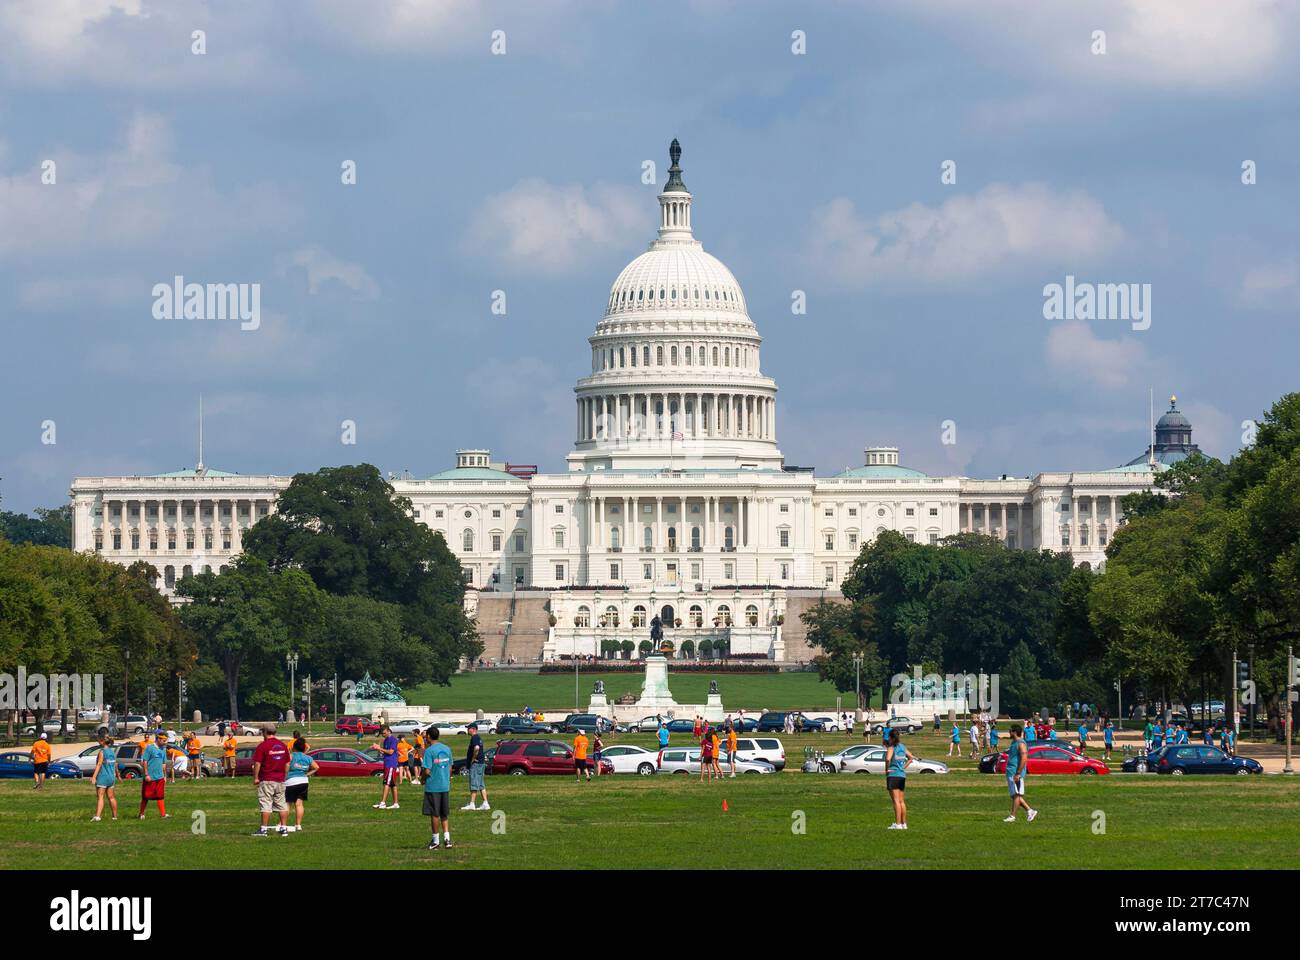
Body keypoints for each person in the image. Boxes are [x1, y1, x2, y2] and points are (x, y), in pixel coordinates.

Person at [251, 725, 291, 836]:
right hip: (280, 779)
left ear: (265, 732)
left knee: (265, 804)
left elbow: (257, 763)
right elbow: (287, 763)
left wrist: (256, 777)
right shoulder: (283, 746)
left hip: (267, 779)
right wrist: (284, 775)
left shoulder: (263, 746)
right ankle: (284, 828)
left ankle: (263, 829)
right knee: (282, 804)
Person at [422, 727, 454, 850]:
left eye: (426, 735)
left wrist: (422, 779)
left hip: (433, 787)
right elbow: (450, 767)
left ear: (429, 736)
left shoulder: (429, 751)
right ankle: (447, 839)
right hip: (445, 785)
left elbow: (427, 770)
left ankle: (435, 841)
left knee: (434, 814)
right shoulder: (447, 748)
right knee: (444, 814)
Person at [1003, 723, 1037, 823]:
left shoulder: (1021, 743)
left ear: (1014, 732)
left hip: (1015, 773)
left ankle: (1012, 816)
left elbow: (1024, 758)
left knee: (1017, 795)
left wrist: (1018, 773)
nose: (1009, 732)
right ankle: (1030, 811)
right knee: (1014, 795)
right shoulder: (1014, 742)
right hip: (1011, 772)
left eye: (1010, 731)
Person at [285, 737, 318, 832]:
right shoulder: (308, 758)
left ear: (294, 747)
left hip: (291, 781)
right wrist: (306, 774)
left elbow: (286, 766)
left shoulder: (291, 756)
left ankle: (283, 824)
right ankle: (298, 825)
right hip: (303, 781)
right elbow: (316, 767)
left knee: (287, 803)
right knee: (299, 804)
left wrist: (285, 776)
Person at [885, 729, 913, 830]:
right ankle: (903, 823)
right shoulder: (902, 747)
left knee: (895, 801)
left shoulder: (891, 748)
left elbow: (888, 759)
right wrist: (903, 767)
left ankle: (897, 824)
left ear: (891, 738)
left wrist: (887, 769)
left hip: (893, 775)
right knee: (901, 801)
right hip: (902, 776)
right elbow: (910, 758)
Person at [139, 731, 169, 819]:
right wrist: (146, 774)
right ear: (158, 739)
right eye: (164, 740)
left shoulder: (163, 750)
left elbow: (164, 764)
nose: (165, 742)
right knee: (146, 796)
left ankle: (163, 815)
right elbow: (145, 761)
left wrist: (165, 776)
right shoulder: (150, 748)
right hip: (150, 777)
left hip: (160, 777)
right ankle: (141, 814)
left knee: (160, 796)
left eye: (166, 740)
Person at [91, 733, 119, 822]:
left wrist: (94, 777)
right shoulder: (112, 752)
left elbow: (99, 764)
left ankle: (98, 817)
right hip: (111, 777)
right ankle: (114, 817)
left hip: (103, 776)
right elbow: (115, 764)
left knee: (100, 796)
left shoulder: (102, 752)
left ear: (102, 742)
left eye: (99, 740)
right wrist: (118, 775)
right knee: (111, 797)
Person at [373, 725, 401, 809]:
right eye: (382, 733)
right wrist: (378, 749)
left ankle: (383, 803)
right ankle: (395, 803)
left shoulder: (393, 740)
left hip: (391, 764)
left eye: (384, 733)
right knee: (392, 784)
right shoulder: (385, 740)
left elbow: (391, 752)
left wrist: (380, 748)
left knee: (386, 783)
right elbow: (385, 753)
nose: (383, 735)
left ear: (389, 731)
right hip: (387, 763)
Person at [463, 722, 489, 810]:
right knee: (481, 784)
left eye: (468, 728)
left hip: (476, 764)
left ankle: (472, 804)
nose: (467, 730)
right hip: (481, 764)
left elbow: (477, 748)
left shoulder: (474, 737)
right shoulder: (478, 738)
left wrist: (473, 759)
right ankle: (485, 803)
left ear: (473, 729)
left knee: (474, 783)